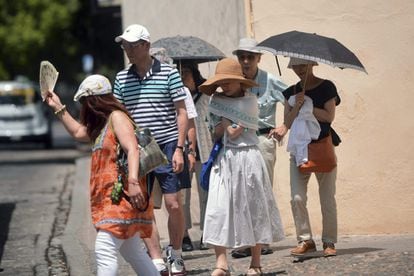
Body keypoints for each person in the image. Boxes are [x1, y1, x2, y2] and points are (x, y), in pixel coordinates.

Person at [44, 74, 159, 276]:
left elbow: (132, 148)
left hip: (121, 197)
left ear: (95, 100)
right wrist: (58, 107)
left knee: (105, 249)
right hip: (109, 200)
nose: (84, 107)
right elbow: (79, 133)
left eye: (85, 102)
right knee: (132, 251)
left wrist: (133, 182)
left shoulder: (117, 117)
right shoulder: (103, 123)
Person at [113, 24, 188, 276]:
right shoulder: (121, 78)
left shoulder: (169, 73)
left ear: (146, 45)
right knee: (143, 206)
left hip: (167, 144)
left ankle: (176, 253)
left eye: (132, 45)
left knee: (174, 204)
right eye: (125, 46)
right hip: (137, 148)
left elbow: (181, 112)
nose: (128, 51)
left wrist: (179, 148)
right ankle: (156, 259)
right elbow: (119, 116)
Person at [199, 58, 285, 276]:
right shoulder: (215, 101)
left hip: (248, 157)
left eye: (228, 81)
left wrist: (227, 123)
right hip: (225, 159)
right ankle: (221, 263)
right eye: (221, 82)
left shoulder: (250, 102)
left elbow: (236, 131)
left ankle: (255, 263)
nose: (224, 86)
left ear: (239, 82)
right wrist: (226, 124)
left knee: (254, 208)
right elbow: (218, 131)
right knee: (219, 209)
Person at [231, 37, 288, 258]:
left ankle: (263, 241)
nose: (245, 61)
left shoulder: (270, 80)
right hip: (238, 142)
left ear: (259, 58)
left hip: (262, 140)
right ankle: (246, 241)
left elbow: (292, 100)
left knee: (262, 191)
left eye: (250, 57)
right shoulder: (233, 80)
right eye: (242, 56)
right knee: (241, 191)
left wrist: (284, 125)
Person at [281, 57, 340, 257]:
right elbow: (286, 123)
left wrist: (308, 105)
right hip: (299, 150)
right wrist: (297, 104)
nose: (299, 69)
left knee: (327, 198)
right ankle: (305, 239)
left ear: (312, 65)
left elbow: (329, 117)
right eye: (295, 65)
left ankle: (329, 241)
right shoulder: (290, 93)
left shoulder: (327, 87)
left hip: (322, 146)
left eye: (303, 65)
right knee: (297, 198)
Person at [178, 61, 213, 251]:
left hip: (205, 150)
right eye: (180, 72)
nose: (183, 76)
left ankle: (207, 234)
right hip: (183, 151)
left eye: (186, 72)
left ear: (194, 73)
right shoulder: (176, 95)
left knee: (206, 195)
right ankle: (184, 235)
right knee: (182, 196)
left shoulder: (207, 92)